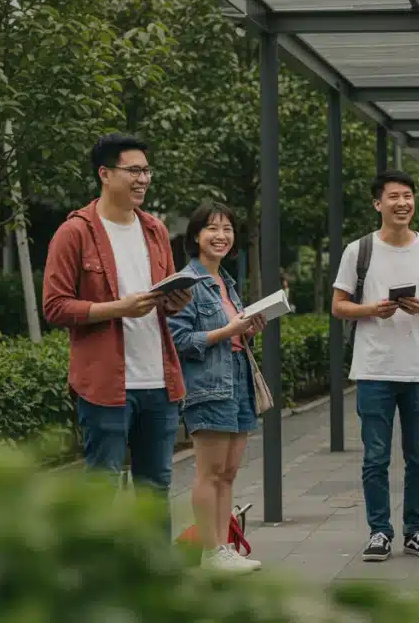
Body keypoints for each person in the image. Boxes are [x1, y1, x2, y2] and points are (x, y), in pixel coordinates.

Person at [42, 132, 192, 540]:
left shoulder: (156, 230)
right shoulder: (75, 232)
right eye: (134, 171)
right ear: (105, 174)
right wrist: (117, 309)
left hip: (159, 381)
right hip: (106, 384)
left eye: (146, 170)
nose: (143, 179)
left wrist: (175, 300)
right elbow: (54, 306)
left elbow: (161, 296)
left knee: (155, 489)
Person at [331, 169, 419, 562]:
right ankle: (379, 531)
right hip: (374, 370)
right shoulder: (358, 250)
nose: (403, 203)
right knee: (375, 457)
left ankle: (416, 530)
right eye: (394, 196)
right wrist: (372, 310)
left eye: (408, 196)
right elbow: (338, 305)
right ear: (377, 203)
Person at [167, 201, 267, 573]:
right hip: (208, 385)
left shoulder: (226, 281)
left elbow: (233, 336)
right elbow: (180, 340)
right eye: (212, 228)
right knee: (209, 471)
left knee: (228, 472)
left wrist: (249, 330)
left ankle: (223, 548)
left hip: (237, 380)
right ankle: (210, 552)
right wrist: (229, 331)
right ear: (196, 235)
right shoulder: (186, 283)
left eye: (227, 229)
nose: (221, 236)